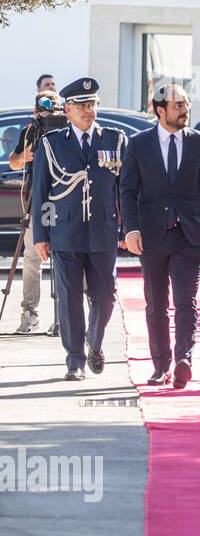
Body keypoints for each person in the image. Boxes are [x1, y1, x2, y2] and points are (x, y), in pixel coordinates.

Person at [120, 83, 200, 388]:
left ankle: (183, 360)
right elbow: (126, 189)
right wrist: (131, 228)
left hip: (189, 235)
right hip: (151, 236)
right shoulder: (138, 144)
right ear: (159, 110)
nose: (185, 110)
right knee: (156, 304)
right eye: (179, 105)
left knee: (185, 300)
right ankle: (161, 365)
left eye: (187, 105)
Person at [29, 77, 128, 381]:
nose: (88, 110)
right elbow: (42, 191)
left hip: (104, 231)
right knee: (70, 297)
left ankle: (95, 343)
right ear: (67, 110)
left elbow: (125, 190)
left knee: (106, 295)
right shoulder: (52, 143)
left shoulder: (114, 139)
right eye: (82, 106)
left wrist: (127, 229)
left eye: (92, 104)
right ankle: (75, 359)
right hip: (65, 232)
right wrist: (41, 235)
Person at [8, 76, 59, 334]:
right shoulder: (29, 132)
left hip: (61, 202)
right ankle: (30, 314)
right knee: (31, 258)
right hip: (33, 201)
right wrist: (24, 156)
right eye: (42, 108)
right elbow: (13, 162)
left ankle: (62, 317)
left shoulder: (64, 130)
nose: (46, 113)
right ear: (35, 111)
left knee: (62, 257)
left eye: (51, 108)